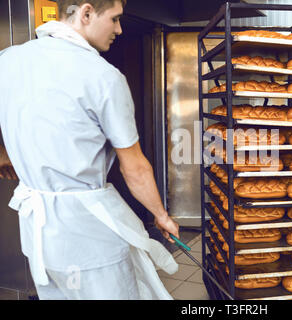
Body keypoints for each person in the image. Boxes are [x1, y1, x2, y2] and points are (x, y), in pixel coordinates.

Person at [0, 0, 180, 300]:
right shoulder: (104, 76)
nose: (119, 29)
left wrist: (3, 152)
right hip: (90, 236)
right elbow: (133, 167)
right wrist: (161, 215)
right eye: (115, 19)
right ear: (86, 13)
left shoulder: (8, 60)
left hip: (39, 236)